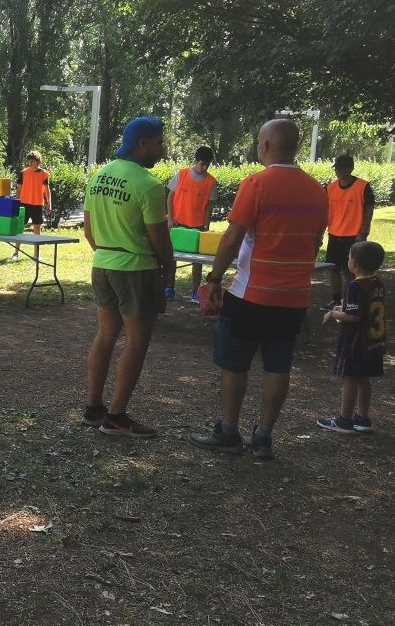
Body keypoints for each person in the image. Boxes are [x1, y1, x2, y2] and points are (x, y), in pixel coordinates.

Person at [190, 119, 329, 459]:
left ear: (266, 145)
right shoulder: (317, 190)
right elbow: (315, 242)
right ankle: (264, 436)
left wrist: (213, 278)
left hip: (252, 293)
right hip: (294, 296)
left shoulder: (256, 184)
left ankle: (228, 432)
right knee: (278, 365)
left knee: (235, 364)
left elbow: (233, 237)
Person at [82, 116, 173, 438]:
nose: (162, 149)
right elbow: (160, 239)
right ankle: (116, 416)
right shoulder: (148, 185)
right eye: (160, 142)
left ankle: (94, 408)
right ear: (143, 143)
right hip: (136, 270)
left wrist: (107, 252)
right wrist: (169, 271)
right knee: (136, 342)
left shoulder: (98, 177)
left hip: (103, 264)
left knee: (105, 336)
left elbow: (88, 230)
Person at [317, 240, 385, 433]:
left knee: (349, 377)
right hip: (373, 341)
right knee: (363, 378)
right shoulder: (377, 283)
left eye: (348, 258)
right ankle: (363, 418)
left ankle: (344, 419)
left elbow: (353, 316)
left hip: (356, 342)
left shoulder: (354, 286)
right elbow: (363, 308)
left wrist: (332, 314)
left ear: (354, 263)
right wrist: (343, 308)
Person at [166, 146, 218, 302]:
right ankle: (169, 288)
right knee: (172, 257)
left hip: (197, 225)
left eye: (207, 165)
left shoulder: (211, 181)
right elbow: (170, 197)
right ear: (195, 161)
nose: (204, 167)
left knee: (197, 260)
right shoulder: (181, 174)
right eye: (202, 163)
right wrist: (170, 217)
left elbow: (209, 205)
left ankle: (195, 292)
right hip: (178, 222)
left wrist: (206, 225)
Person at [323, 154, 374, 309]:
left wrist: (363, 233)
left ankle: (353, 301)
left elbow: (369, 211)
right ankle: (336, 299)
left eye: (341, 168)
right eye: (336, 168)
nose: (338, 172)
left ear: (350, 169)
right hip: (334, 234)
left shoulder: (363, 187)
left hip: (354, 236)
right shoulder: (330, 188)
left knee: (350, 271)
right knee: (333, 268)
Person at [12, 150, 52, 261]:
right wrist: (17, 203)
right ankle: (16, 253)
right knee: (20, 229)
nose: (30, 162)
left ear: (38, 161)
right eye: (29, 160)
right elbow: (18, 189)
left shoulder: (44, 174)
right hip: (24, 204)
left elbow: (47, 190)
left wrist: (49, 204)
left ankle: (36, 255)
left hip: (38, 205)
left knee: (37, 230)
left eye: (32, 160)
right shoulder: (23, 173)